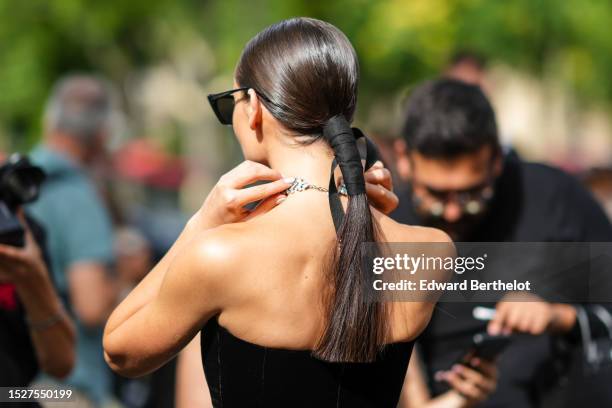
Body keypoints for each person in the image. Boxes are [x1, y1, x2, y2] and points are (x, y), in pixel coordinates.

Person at [104, 17, 452, 407]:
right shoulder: (432, 251)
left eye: (229, 103)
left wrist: (198, 226)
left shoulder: (220, 254)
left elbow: (119, 351)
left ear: (253, 107)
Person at [391, 78, 612, 407]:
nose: (452, 212)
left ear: (496, 159)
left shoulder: (555, 197)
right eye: (435, 196)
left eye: (471, 195)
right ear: (404, 160)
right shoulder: (389, 224)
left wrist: (558, 317)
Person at [27, 75, 118, 407]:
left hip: (17, 384)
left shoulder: (18, 182)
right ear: (102, 133)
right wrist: (123, 275)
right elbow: (91, 305)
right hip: (65, 391)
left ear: (49, 120)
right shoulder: (75, 193)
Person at [0, 209, 76, 389]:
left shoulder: (20, 233)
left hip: (13, 395)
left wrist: (33, 280)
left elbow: (62, 364)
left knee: (61, 398)